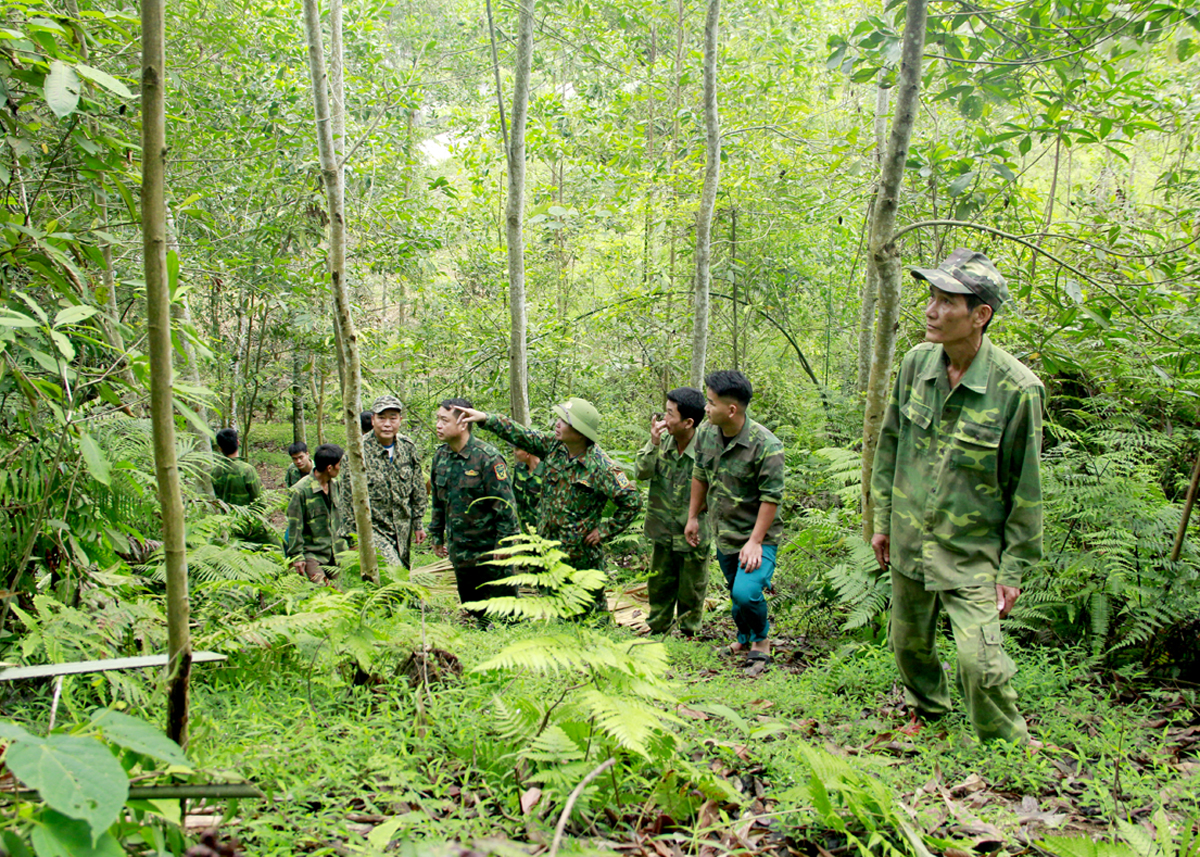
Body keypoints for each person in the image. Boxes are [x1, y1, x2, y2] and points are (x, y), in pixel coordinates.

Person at [870, 248, 1043, 744]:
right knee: (909, 644)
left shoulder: (1017, 389)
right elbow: (890, 444)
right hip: (907, 538)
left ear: (980, 315)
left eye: (948, 302)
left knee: (979, 659)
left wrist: (1012, 570)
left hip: (971, 553)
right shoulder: (916, 365)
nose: (931, 310)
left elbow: (1025, 488)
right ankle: (929, 713)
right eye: (931, 297)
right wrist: (882, 520)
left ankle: (1006, 746)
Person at [455, 398, 642, 614]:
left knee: (590, 613)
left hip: (579, 554)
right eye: (559, 419)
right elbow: (521, 434)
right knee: (553, 607)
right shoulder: (554, 447)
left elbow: (632, 501)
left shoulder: (600, 466)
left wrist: (604, 530)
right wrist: (486, 418)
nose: (558, 424)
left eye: (565, 421)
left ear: (580, 432)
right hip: (548, 548)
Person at [686, 371, 784, 674]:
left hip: (758, 536)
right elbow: (700, 475)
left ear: (732, 409)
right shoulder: (705, 434)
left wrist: (755, 541)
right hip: (724, 532)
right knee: (734, 590)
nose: (705, 408)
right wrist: (692, 517)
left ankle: (761, 641)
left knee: (746, 592)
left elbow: (771, 497)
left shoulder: (766, 445)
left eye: (711, 403)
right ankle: (743, 639)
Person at [429, 398, 521, 624]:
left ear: (463, 423)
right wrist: (436, 534)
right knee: (474, 609)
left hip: (489, 550)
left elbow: (506, 506)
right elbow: (438, 502)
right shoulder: (441, 457)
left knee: (505, 613)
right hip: (460, 550)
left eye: (444, 420)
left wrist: (505, 544)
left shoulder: (487, 458)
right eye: (437, 419)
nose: (438, 425)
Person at [635, 388, 711, 636]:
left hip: (692, 531)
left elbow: (718, 491)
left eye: (669, 414)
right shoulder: (663, 442)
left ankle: (689, 632)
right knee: (659, 582)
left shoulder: (707, 449)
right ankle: (658, 626)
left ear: (688, 422)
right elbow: (642, 472)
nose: (663, 419)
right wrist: (653, 443)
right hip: (662, 528)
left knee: (692, 586)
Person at [339, 395, 427, 568]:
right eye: (381, 418)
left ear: (400, 420)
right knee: (394, 573)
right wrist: (352, 538)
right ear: (372, 420)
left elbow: (418, 489)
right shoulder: (357, 452)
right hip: (373, 530)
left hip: (402, 529)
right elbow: (347, 499)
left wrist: (417, 523)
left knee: (399, 575)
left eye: (393, 418)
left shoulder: (407, 447)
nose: (387, 424)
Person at [284, 444, 347, 585]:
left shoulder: (336, 486)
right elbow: (294, 526)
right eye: (339, 465)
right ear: (329, 468)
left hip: (336, 554)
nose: (341, 468)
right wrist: (296, 556)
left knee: (341, 594)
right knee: (323, 592)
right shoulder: (300, 491)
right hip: (312, 554)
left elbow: (343, 518)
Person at [212, 428, 263, 506]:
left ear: (220, 448)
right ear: (238, 442)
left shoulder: (215, 471)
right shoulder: (247, 470)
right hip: (246, 516)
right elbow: (259, 499)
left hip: (223, 517)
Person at [511, 447, 544, 532]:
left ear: (528, 453)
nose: (514, 452)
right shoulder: (519, 469)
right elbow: (514, 498)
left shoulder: (547, 473)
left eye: (517, 449)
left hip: (541, 532)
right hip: (523, 530)